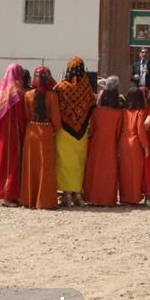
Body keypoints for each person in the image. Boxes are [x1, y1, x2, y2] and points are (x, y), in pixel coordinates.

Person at [20, 66, 61, 210]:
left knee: (31, 166)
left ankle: (28, 199)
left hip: (31, 132)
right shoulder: (52, 96)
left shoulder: (28, 95)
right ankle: (44, 201)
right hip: (46, 133)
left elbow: (26, 116)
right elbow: (56, 121)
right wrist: (52, 129)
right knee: (45, 167)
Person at [55, 56, 94, 207]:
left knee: (64, 163)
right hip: (81, 133)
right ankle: (77, 195)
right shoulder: (87, 87)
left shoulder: (61, 87)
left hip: (64, 131)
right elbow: (91, 107)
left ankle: (66, 195)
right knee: (78, 163)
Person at [0, 63, 27, 207]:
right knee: (12, 163)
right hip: (13, 133)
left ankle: (0, 194)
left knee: (1, 162)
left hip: (0, 133)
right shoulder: (17, 91)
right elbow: (21, 115)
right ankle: (9, 196)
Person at [84, 76, 123, 207]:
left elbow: (91, 130)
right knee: (109, 172)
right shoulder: (119, 113)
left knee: (95, 170)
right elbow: (118, 132)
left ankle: (92, 196)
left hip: (97, 144)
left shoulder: (97, 111)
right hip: (111, 146)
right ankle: (108, 198)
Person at [119, 88, 149, 205]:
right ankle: (134, 197)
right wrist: (145, 146)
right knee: (136, 172)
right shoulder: (140, 112)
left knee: (125, 171)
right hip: (135, 143)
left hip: (124, 142)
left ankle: (124, 197)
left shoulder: (123, 111)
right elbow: (140, 130)